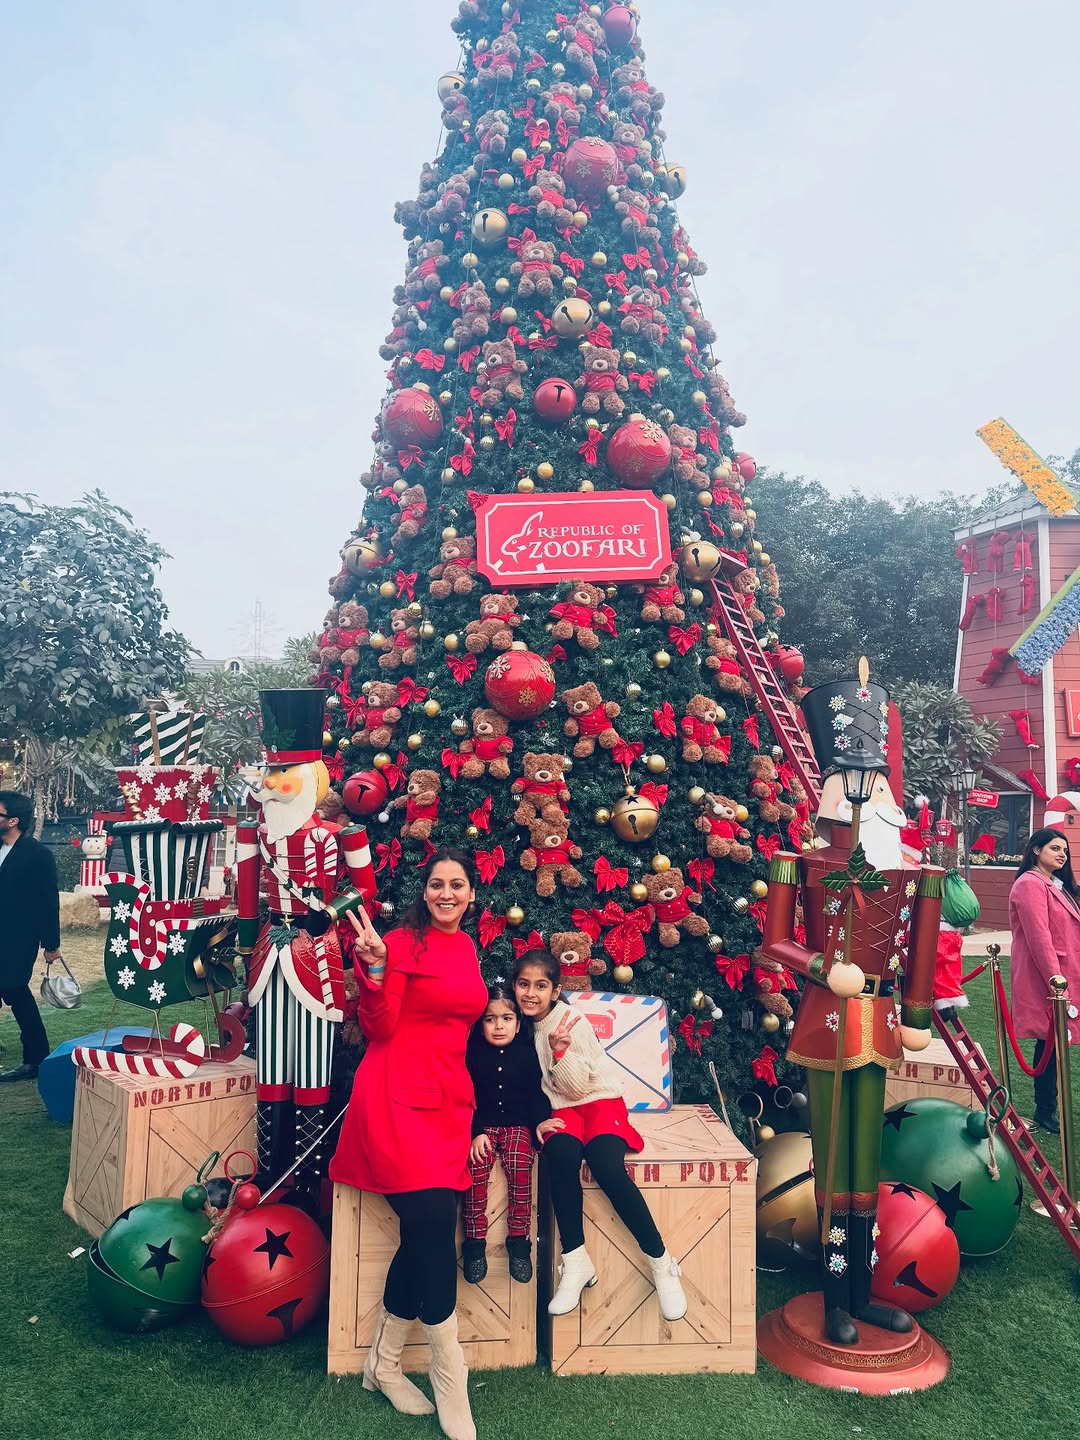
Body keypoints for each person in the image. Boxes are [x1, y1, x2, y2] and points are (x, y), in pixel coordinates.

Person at [330, 847, 486, 1440]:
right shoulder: (397, 943)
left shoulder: (466, 947)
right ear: (424, 892)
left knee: (424, 1231)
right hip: (395, 1095)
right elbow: (378, 1025)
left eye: (458, 884)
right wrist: (374, 970)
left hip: (446, 1102)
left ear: (471, 894)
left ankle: (384, 1365)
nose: (447, 893)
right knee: (433, 1225)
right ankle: (451, 1375)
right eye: (437, 884)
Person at [511, 948, 688, 1322]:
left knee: (607, 1166)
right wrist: (536, 1121)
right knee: (560, 1156)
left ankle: (661, 1263)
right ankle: (576, 1260)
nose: (531, 993)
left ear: (555, 991)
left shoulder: (570, 1022)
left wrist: (560, 1054)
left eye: (540, 986)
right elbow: (524, 1086)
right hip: (562, 1109)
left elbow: (577, 1087)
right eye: (524, 984)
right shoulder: (517, 1025)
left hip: (597, 1100)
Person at [463, 981, 550, 1286]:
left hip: (517, 1126)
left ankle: (519, 1243)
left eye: (506, 1018)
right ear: (481, 1024)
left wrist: (539, 1123)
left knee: (519, 1164)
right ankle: (475, 1244)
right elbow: (466, 1096)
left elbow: (536, 1094)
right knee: (476, 1169)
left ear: (518, 1023)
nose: (499, 1026)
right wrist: (475, 1132)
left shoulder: (527, 1053)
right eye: (490, 1019)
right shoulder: (473, 1054)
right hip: (483, 1127)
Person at [1009, 827, 1080, 1134]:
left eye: (1064, 850)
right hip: (1048, 976)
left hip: (1064, 972)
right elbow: (1039, 937)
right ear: (1036, 850)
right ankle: (1046, 1110)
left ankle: (1049, 1108)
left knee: (1056, 1040)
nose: (1062, 854)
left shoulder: (1057, 885)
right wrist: (1055, 980)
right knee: (1049, 1040)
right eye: (1055, 848)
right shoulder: (1030, 884)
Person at [0, 791, 60, 1083]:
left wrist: (51, 944)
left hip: (18, 938)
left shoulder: (37, 855)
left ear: (12, 821)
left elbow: (47, 901)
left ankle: (35, 1058)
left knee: (14, 990)